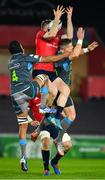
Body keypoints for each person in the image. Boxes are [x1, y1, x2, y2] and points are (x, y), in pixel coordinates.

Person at [8, 40, 71, 172]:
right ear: (21, 47)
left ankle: (23, 157)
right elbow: (48, 59)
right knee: (44, 76)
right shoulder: (25, 57)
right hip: (27, 90)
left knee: (22, 125)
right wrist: (64, 55)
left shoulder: (10, 62)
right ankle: (43, 105)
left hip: (15, 94)